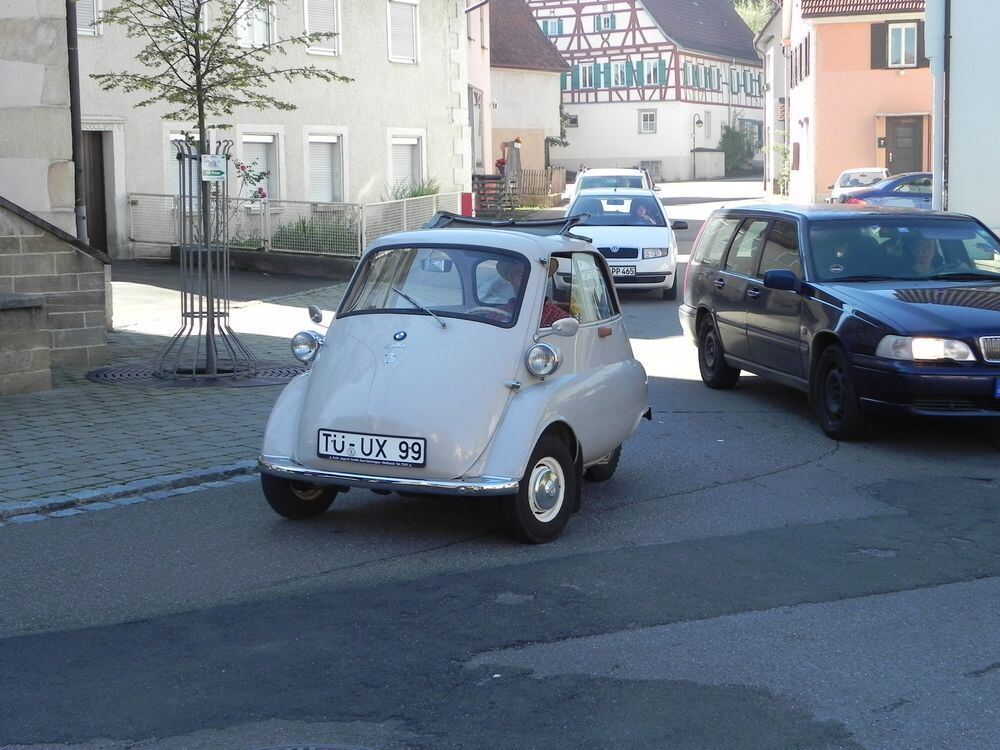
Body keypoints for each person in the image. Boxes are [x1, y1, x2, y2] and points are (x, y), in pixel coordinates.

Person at [495, 257, 569, 327]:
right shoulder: (496, 314)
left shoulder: (558, 318)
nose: (527, 278)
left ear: (540, 279)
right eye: (520, 274)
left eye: (533, 274)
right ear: (511, 278)